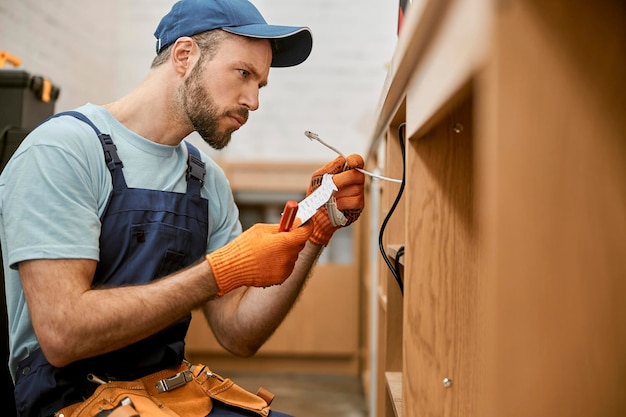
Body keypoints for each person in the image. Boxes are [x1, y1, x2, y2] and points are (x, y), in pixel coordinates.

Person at [0, 0, 366, 416]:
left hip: (169, 394)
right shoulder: (64, 151)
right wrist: (219, 271)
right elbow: (64, 334)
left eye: (260, 85)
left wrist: (313, 232)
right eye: (244, 74)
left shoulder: (205, 177)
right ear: (185, 55)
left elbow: (238, 333)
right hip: (74, 401)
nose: (253, 100)